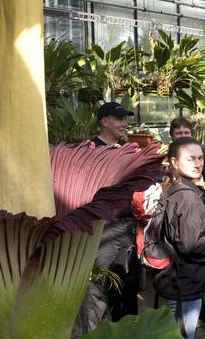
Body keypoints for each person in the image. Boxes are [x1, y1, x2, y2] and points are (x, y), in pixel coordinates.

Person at [73, 102, 138, 336]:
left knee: (127, 284)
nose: (125, 124)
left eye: (125, 119)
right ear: (104, 121)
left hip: (126, 227)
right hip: (103, 228)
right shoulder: (90, 150)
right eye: (119, 119)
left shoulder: (125, 149)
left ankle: (127, 331)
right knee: (99, 285)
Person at [154, 137, 205, 339]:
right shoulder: (187, 197)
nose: (197, 163)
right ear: (174, 162)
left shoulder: (173, 188)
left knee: (170, 331)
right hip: (185, 280)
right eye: (190, 158)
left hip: (174, 277)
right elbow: (190, 245)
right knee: (184, 333)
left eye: (200, 158)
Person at [169, 117, 205, 324]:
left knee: (204, 263)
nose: (197, 163)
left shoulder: (200, 159)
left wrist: (204, 185)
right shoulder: (163, 158)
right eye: (179, 133)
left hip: (200, 211)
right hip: (179, 216)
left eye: (186, 132)